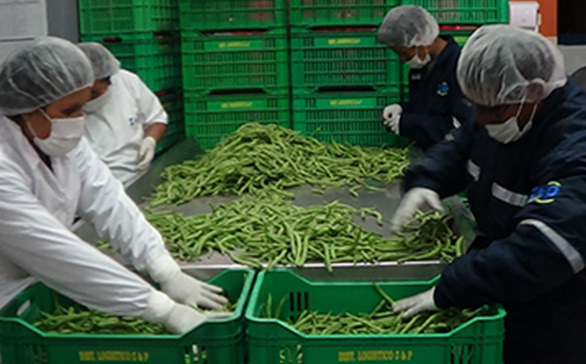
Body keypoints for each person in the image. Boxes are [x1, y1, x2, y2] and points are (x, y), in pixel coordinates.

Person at [0, 37, 227, 339]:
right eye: (69, 111)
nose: (79, 120)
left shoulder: (61, 143)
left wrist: (162, 268)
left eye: (82, 108)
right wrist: (160, 309)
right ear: (27, 110)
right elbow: (52, 250)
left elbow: (107, 200)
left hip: (35, 286)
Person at [390, 25, 586, 364]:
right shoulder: (503, 108)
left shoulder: (575, 145)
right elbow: (461, 145)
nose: (481, 119)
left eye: (492, 111)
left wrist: (454, 285)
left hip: (561, 298)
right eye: (475, 105)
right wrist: (426, 180)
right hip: (504, 275)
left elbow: (546, 246)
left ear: (535, 92)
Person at [377, 5, 475, 151]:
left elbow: (461, 128)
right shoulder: (420, 70)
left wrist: (407, 123)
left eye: (405, 54)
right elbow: (425, 109)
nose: (403, 60)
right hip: (430, 154)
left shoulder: (459, 68)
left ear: (420, 40)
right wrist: (402, 109)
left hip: (453, 159)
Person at [77, 42, 167, 186]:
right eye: (86, 92)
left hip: (137, 177)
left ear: (110, 80)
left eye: (95, 92)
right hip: (90, 184)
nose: (89, 98)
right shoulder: (66, 103)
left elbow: (156, 118)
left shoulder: (127, 82)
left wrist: (150, 141)